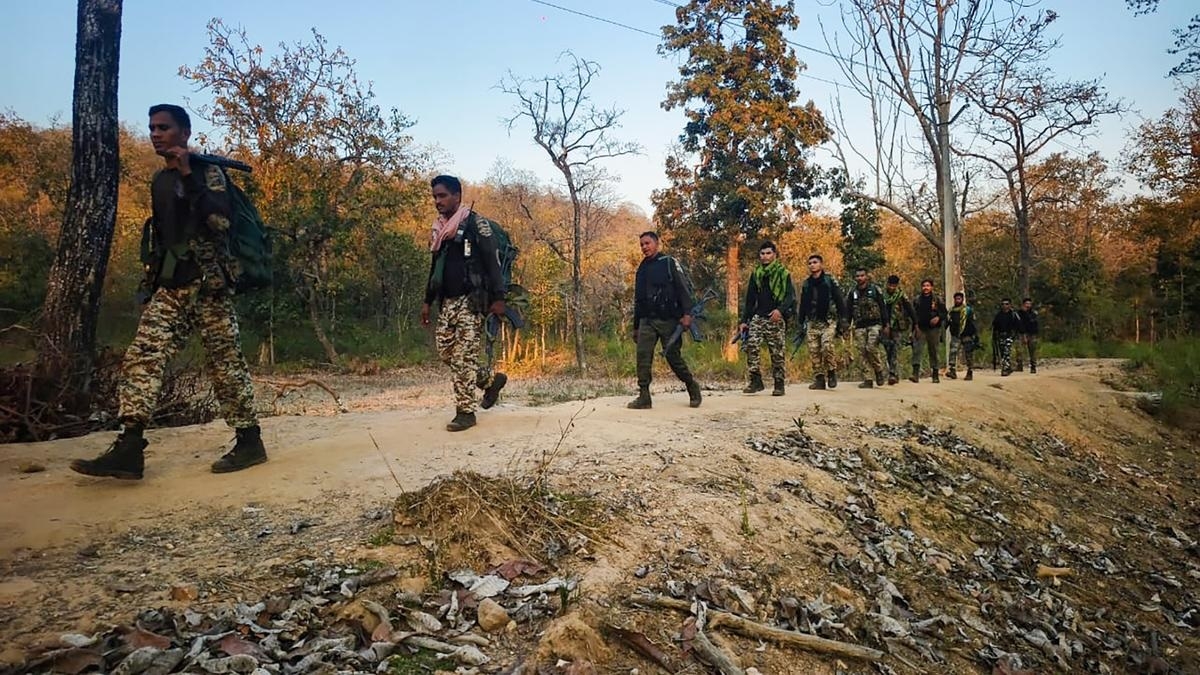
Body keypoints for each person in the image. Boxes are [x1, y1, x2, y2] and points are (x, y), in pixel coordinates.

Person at [71, 104, 266, 480]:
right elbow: (163, 238)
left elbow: (220, 223)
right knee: (142, 356)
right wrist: (151, 284)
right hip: (172, 288)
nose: (155, 134)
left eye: (164, 127)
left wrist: (189, 174)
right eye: (152, 128)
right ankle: (130, 447)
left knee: (225, 366)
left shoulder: (210, 173)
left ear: (185, 133)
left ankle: (249, 441)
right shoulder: (160, 181)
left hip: (209, 288)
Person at [420, 175, 508, 432]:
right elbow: (435, 267)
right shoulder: (440, 229)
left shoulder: (475, 224)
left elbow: (492, 262)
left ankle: (465, 413)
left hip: (472, 301)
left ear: (457, 196)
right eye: (435, 197)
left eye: (442, 196)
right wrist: (427, 301)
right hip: (447, 302)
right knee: (446, 352)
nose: (438, 201)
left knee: (462, 357)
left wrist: (499, 298)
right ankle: (490, 382)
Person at [628, 232, 702, 409]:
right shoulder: (642, 268)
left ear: (657, 243)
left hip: (669, 319)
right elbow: (638, 299)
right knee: (643, 357)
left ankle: (692, 386)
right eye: (642, 245)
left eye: (647, 243)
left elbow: (682, 288)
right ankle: (644, 396)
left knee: (673, 356)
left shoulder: (668, 262)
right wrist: (636, 326)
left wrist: (687, 314)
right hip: (647, 320)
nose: (644, 247)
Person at [738, 241, 796, 396]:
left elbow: (790, 297)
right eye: (762, 253)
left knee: (777, 352)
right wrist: (744, 320)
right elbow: (750, 299)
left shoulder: (783, 273)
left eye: (768, 253)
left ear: (774, 255)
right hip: (758, 316)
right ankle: (756, 381)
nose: (765, 256)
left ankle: (779, 384)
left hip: (775, 317)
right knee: (751, 346)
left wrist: (780, 311)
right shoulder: (756, 273)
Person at [797, 254, 847, 390]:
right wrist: (800, 321)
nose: (812, 265)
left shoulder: (829, 280)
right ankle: (819, 379)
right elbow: (803, 304)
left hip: (828, 320)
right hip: (812, 321)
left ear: (821, 264)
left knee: (827, 345)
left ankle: (831, 372)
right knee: (814, 351)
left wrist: (843, 319)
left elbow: (839, 299)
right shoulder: (807, 283)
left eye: (815, 262)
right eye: (810, 263)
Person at [846, 268, 889, 388]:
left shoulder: (875, 290)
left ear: (866, 277)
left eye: (862, 275)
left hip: (874, 324)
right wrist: (846, 326)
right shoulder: (852, 292)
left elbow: (883, 307)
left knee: (871, 347)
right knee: (862, 351)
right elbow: (848, 310)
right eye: (857, 276)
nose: (860, 278)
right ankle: (867, 379)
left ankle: (878, 370)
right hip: (859, 325)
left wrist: (886, 324)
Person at [910, 278, 947, 383]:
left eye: (927, 286)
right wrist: (913, 329)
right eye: (924, 286)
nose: (925, 288)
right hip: (920, 328)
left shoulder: (937, 299)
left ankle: (935, 374)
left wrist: (938, 318)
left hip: (933, 329)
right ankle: (915, 374)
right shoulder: (917, 299)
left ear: (931, 287)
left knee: (934, 351)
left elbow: (945, 313)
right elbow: (913, 314)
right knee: (917, 350)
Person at [881, 274, 915, 385]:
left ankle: (893, 373)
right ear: (887, 284)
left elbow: (910, 309)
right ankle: (892, 372)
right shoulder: (882, 296)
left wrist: (915, 324)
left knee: (895, 349)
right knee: (888, 349)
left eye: (894, 285)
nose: (892, 287)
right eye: (890, 285)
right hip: (885, 326)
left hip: (897, 326)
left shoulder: (901, 296)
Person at [946, 291, 978, 381]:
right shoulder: (951, 311)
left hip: (966, 334)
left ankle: (970, 371)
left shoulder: (967, 310)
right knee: (953, 352)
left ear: (962, 299)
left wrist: (974, 334)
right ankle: (952, 370)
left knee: (968, 353)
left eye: (959, 299)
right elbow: (947, 322)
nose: (957, 300)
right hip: (955, 334)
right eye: (956, 299)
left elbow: (973, 322)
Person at [991, 298, 1022, 376]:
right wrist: (995, 335)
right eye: (1003, 304)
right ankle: (1008, 367)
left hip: (1010, 335)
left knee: (1006, 352)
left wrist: (1017, 335)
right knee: (1002, 352)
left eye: (1007, 304)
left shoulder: (1013, 315)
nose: (1005, 306)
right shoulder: (999, 315)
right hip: (1001, 336)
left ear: (1010, 305)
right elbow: (995, 326)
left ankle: (1005, 369)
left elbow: (1019, 326)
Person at [1015, 297, 1040, 374]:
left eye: (1029, 304)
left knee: (1032, 351)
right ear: (1023, 304)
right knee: (1019, 350)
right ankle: (1019, 365)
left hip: (1031, 334)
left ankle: (1033, 367)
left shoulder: (1033, 313)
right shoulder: (1018, 313)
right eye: (1026, 304)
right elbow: (1018, 323)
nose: (1028, 305)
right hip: (1020, 333)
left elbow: (1034, 323)